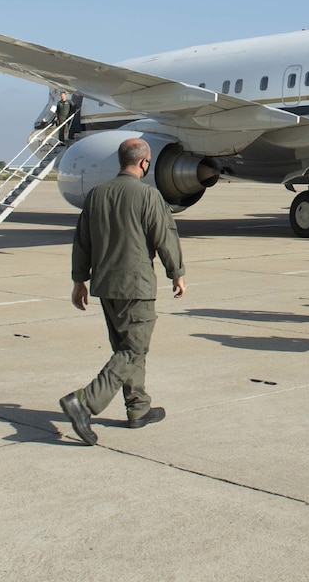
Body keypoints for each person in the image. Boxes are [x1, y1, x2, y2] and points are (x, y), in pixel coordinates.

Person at [58, 138, 186, 445]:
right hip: (136, 286)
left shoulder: (97, 195)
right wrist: (177, 272)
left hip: (106, 286)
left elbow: (82, 241)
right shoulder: (147, 195)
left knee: (126, 348)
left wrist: (79, 280)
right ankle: (84, 403)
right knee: (133, 350)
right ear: (144, 163)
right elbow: (164, 235)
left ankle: (137, 408)